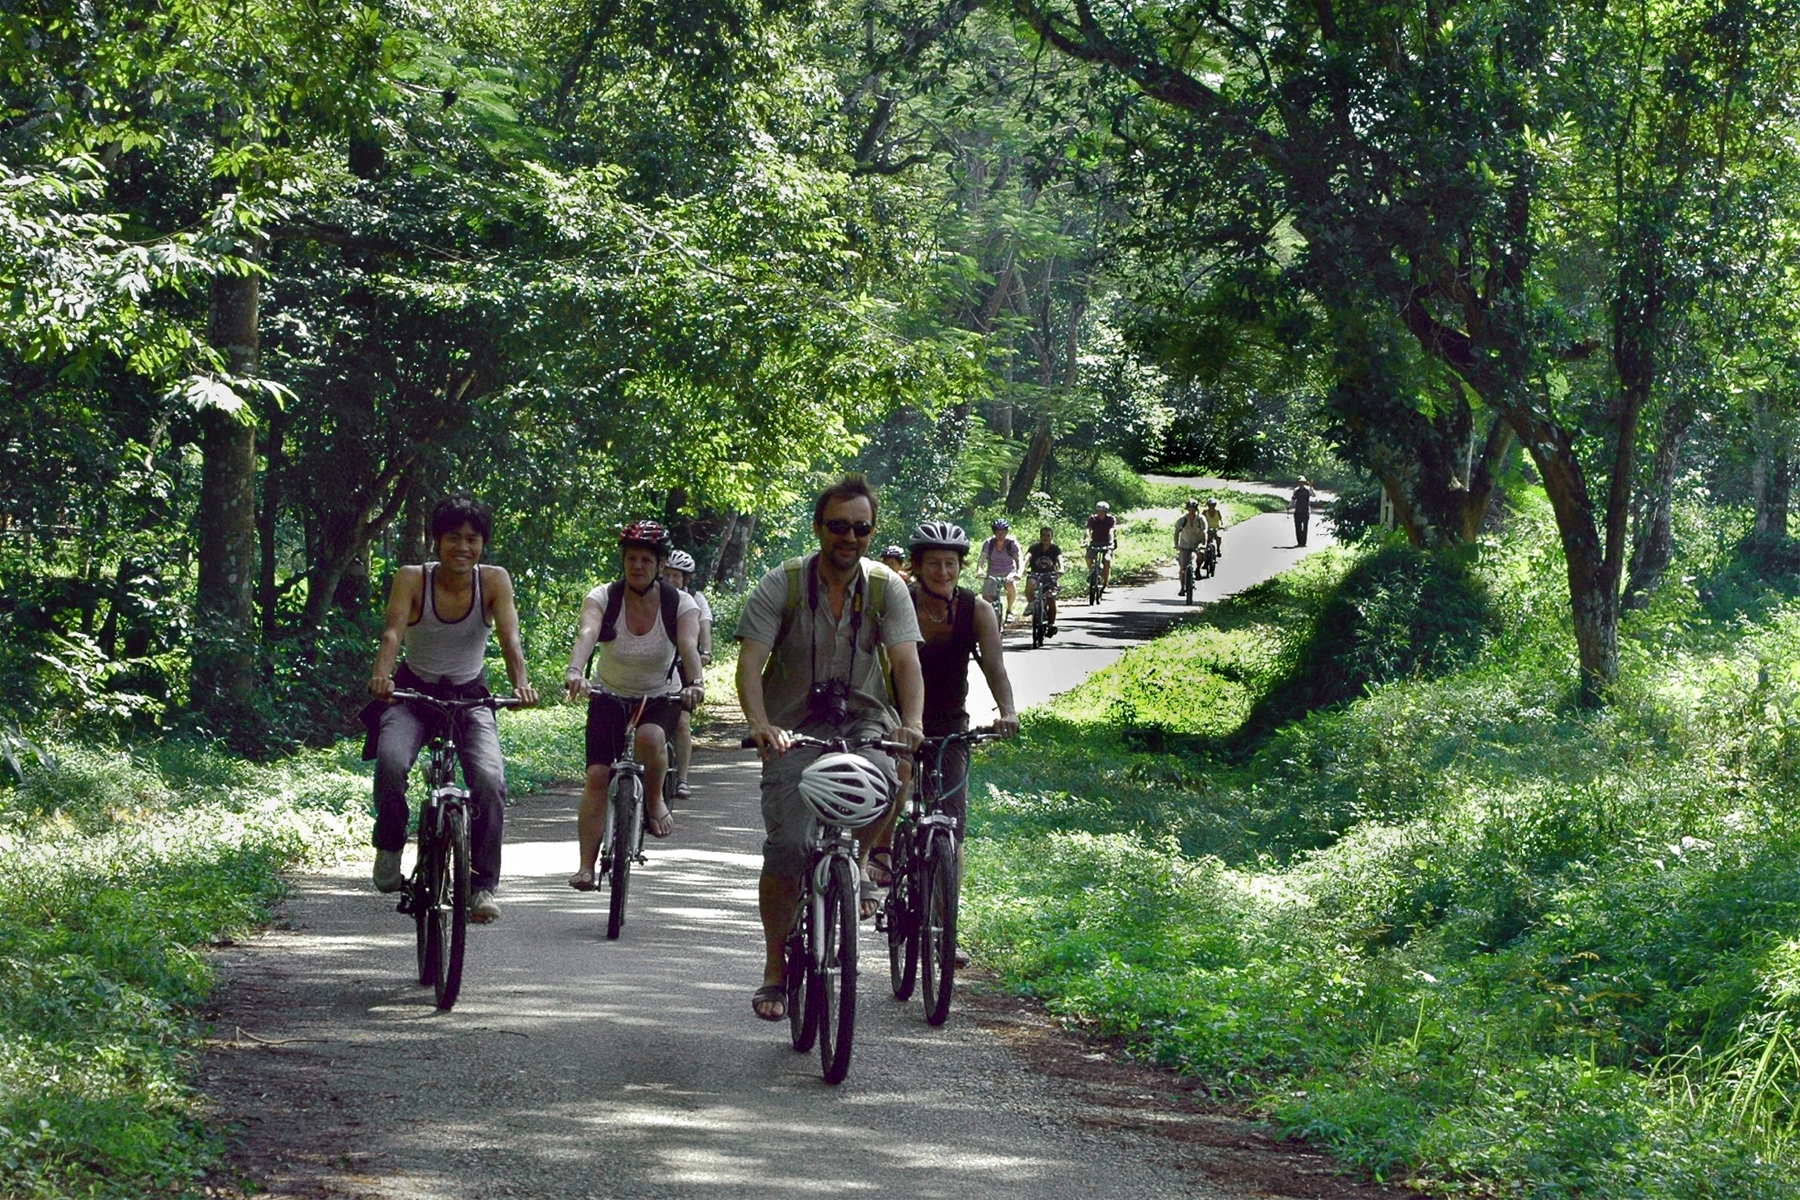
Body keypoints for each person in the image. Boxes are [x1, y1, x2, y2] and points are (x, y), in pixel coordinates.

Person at [736, 475, 924, 1022]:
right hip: (792, 727)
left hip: (864, 719)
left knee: (893, 772)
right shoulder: (784, 584)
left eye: (861, 528)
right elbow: (751, 664)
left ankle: (860, 863)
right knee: (790, 846)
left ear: (872, 531)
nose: (850, 537)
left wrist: (909, 722)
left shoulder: (887, 587)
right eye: (838, 526)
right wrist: (760, 723)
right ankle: (775, 967)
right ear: (819, 528)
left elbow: (906, 662)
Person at [366, 495, 539, 925]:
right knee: (390, 760)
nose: (463, 547)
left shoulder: (494, 581)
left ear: (483, 544)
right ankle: (390, 845)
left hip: (469, 697)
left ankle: (482, 886)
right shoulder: (412, 578)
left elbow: (510, 638)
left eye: (472, 539)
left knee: (490, 781)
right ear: (436, 541)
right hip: (412, 695)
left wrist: (521, 683)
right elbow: (392, 633)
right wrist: (382, 677)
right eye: (453, 538)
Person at [866, 521, 1019, 900]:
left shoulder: (977, 610)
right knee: (898, 779)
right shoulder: (898, 604)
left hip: (951, 719)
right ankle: (881, 851)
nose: (942, 572)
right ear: (916, 567)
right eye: (933, 563)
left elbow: (995, 668)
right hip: (897, 717)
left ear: (960, 567)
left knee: (952, 824)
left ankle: (945, 927)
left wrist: (1008, 711)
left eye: (950, 563)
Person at [563, 522, 705, 890]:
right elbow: (587, 634)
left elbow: (688, 647)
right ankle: (585, 866)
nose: (637, 566)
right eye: (630, 559)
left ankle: (655, 798)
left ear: (660, 565)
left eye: (646, 559)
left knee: (651, 737)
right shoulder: (604, 597)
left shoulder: (680, 603)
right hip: (610, 694)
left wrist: (696, 684)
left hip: (660, 695)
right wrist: (576, 671)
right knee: (597, 776)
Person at [661, 549, 714, 801]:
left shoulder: (695, 599)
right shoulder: (652, 595)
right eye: (667, 574)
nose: (671, 580)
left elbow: (704, 626)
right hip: (656, 664)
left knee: (682, 724)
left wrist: (705, 651)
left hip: (683, 665)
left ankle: (682, 778)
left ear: (685, 579)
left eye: (676, 576)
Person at [977, 518, 1023, 623]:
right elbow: (982, 558)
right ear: (994, 532)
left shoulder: (1011, 543)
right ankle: (991, 616)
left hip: (1009, 571)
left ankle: (1009, 611)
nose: (1000, 535)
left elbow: (1019, 559)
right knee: (987, 597)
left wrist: (1019, 573)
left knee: (1010, 583)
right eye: (998, 532)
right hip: (993, 572)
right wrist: (980, 571)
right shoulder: (989, 543)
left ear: (1007, 532)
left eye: (1003, 532)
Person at [1023, 525, 1062, 637]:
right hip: (1036, 574)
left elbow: (1060, 559)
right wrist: (1023, 567)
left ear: (1052, 537)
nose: (1046, 538)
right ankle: (1031, 604)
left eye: (1048, 535)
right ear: (1040, 537)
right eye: (1043, 535)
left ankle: (1050, 625)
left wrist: (1061, 569)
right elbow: (1027, 557)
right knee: (1030, 584)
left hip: (1050, 575)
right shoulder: (1035, 547)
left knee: (1051, 598)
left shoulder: (1055, 548)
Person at [1173, 498, 1207, 588]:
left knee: (1202, 555)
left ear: (1196, 509)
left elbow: (1204, 532)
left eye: (1194, 509)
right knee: (1183, 567)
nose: (1192, 511)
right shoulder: (1182, 519)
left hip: (1197, 542)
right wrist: (1176, 544)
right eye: (1190, 509)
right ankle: (1182, 587)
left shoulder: (1201, 519)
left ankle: (1198, 569)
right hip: (1185, 543)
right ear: (1187, 509)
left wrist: (1203, 544)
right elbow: (1176, 532)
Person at [1086, 500, 1118, 593]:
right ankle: (1093, 573)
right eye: (1099, 512)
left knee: (1107, 560)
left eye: (1102, 512)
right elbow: (1088, 529)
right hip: (1095, 542)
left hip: (1107, 543)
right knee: (1089, 557)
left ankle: (1105, 583)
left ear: (1106, 512)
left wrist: (1111, 542)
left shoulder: (1110, 519)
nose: (1100, 514)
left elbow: (1111, 531)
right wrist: (1085, 540)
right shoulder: (1093, 519)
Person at [1292, 476, 1314, 546]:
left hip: (1306, 511)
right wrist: (1289, 506)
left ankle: (1303, 542)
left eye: (1302, 482)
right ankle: (1299, 542)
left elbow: (1313, 495)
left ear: (1304, 483)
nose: (1301, 484)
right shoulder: (1296, 490)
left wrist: (1311, 487)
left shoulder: (1308, 490)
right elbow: (1293, 499)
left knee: (1305, 527)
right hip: (1298, 511)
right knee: (1298, 527)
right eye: (1299, 482)